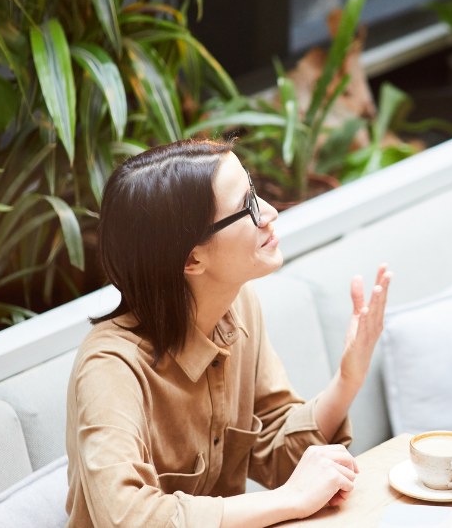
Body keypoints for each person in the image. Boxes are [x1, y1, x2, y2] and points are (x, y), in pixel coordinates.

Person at [64, 139, 393, 528]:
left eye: (255, 192)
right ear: (192, 258)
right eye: (246, 207)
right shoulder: (110, 368)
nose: (269, 213)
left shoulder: (238, 306)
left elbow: (278, 454)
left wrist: (348, 379)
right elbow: (128, 518)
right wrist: (288, 501)